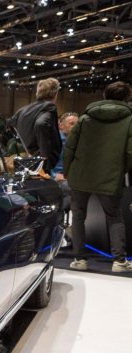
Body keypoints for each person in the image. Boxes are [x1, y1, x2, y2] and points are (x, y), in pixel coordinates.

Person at [64, 81, 132, 273]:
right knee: (114, 217)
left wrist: (68, 171)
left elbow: (70, 147)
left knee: (78, 217)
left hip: (80, 175)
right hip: (110, 176)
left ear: (104, 95)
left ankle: (79, 260)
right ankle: (119, 261)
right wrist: (120, 170)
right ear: (126, 98)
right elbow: (130, 153)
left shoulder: (85, 119)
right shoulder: (129, 120)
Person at [9, 77, 62, 174]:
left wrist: (21, 146)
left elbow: (10, 124)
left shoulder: (24, 109)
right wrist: (44, 155)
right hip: (38, 164)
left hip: (23, 159)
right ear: (55, 94)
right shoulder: (49, 107)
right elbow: (41, 124)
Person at [51, 112, 78, 221]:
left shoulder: (78, 142)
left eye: (77, 124)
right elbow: (44, 162)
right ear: (61, 125)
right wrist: (54, 175)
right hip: (56, 178)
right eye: (72, 123)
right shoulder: (53, 142)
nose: (75, 127)